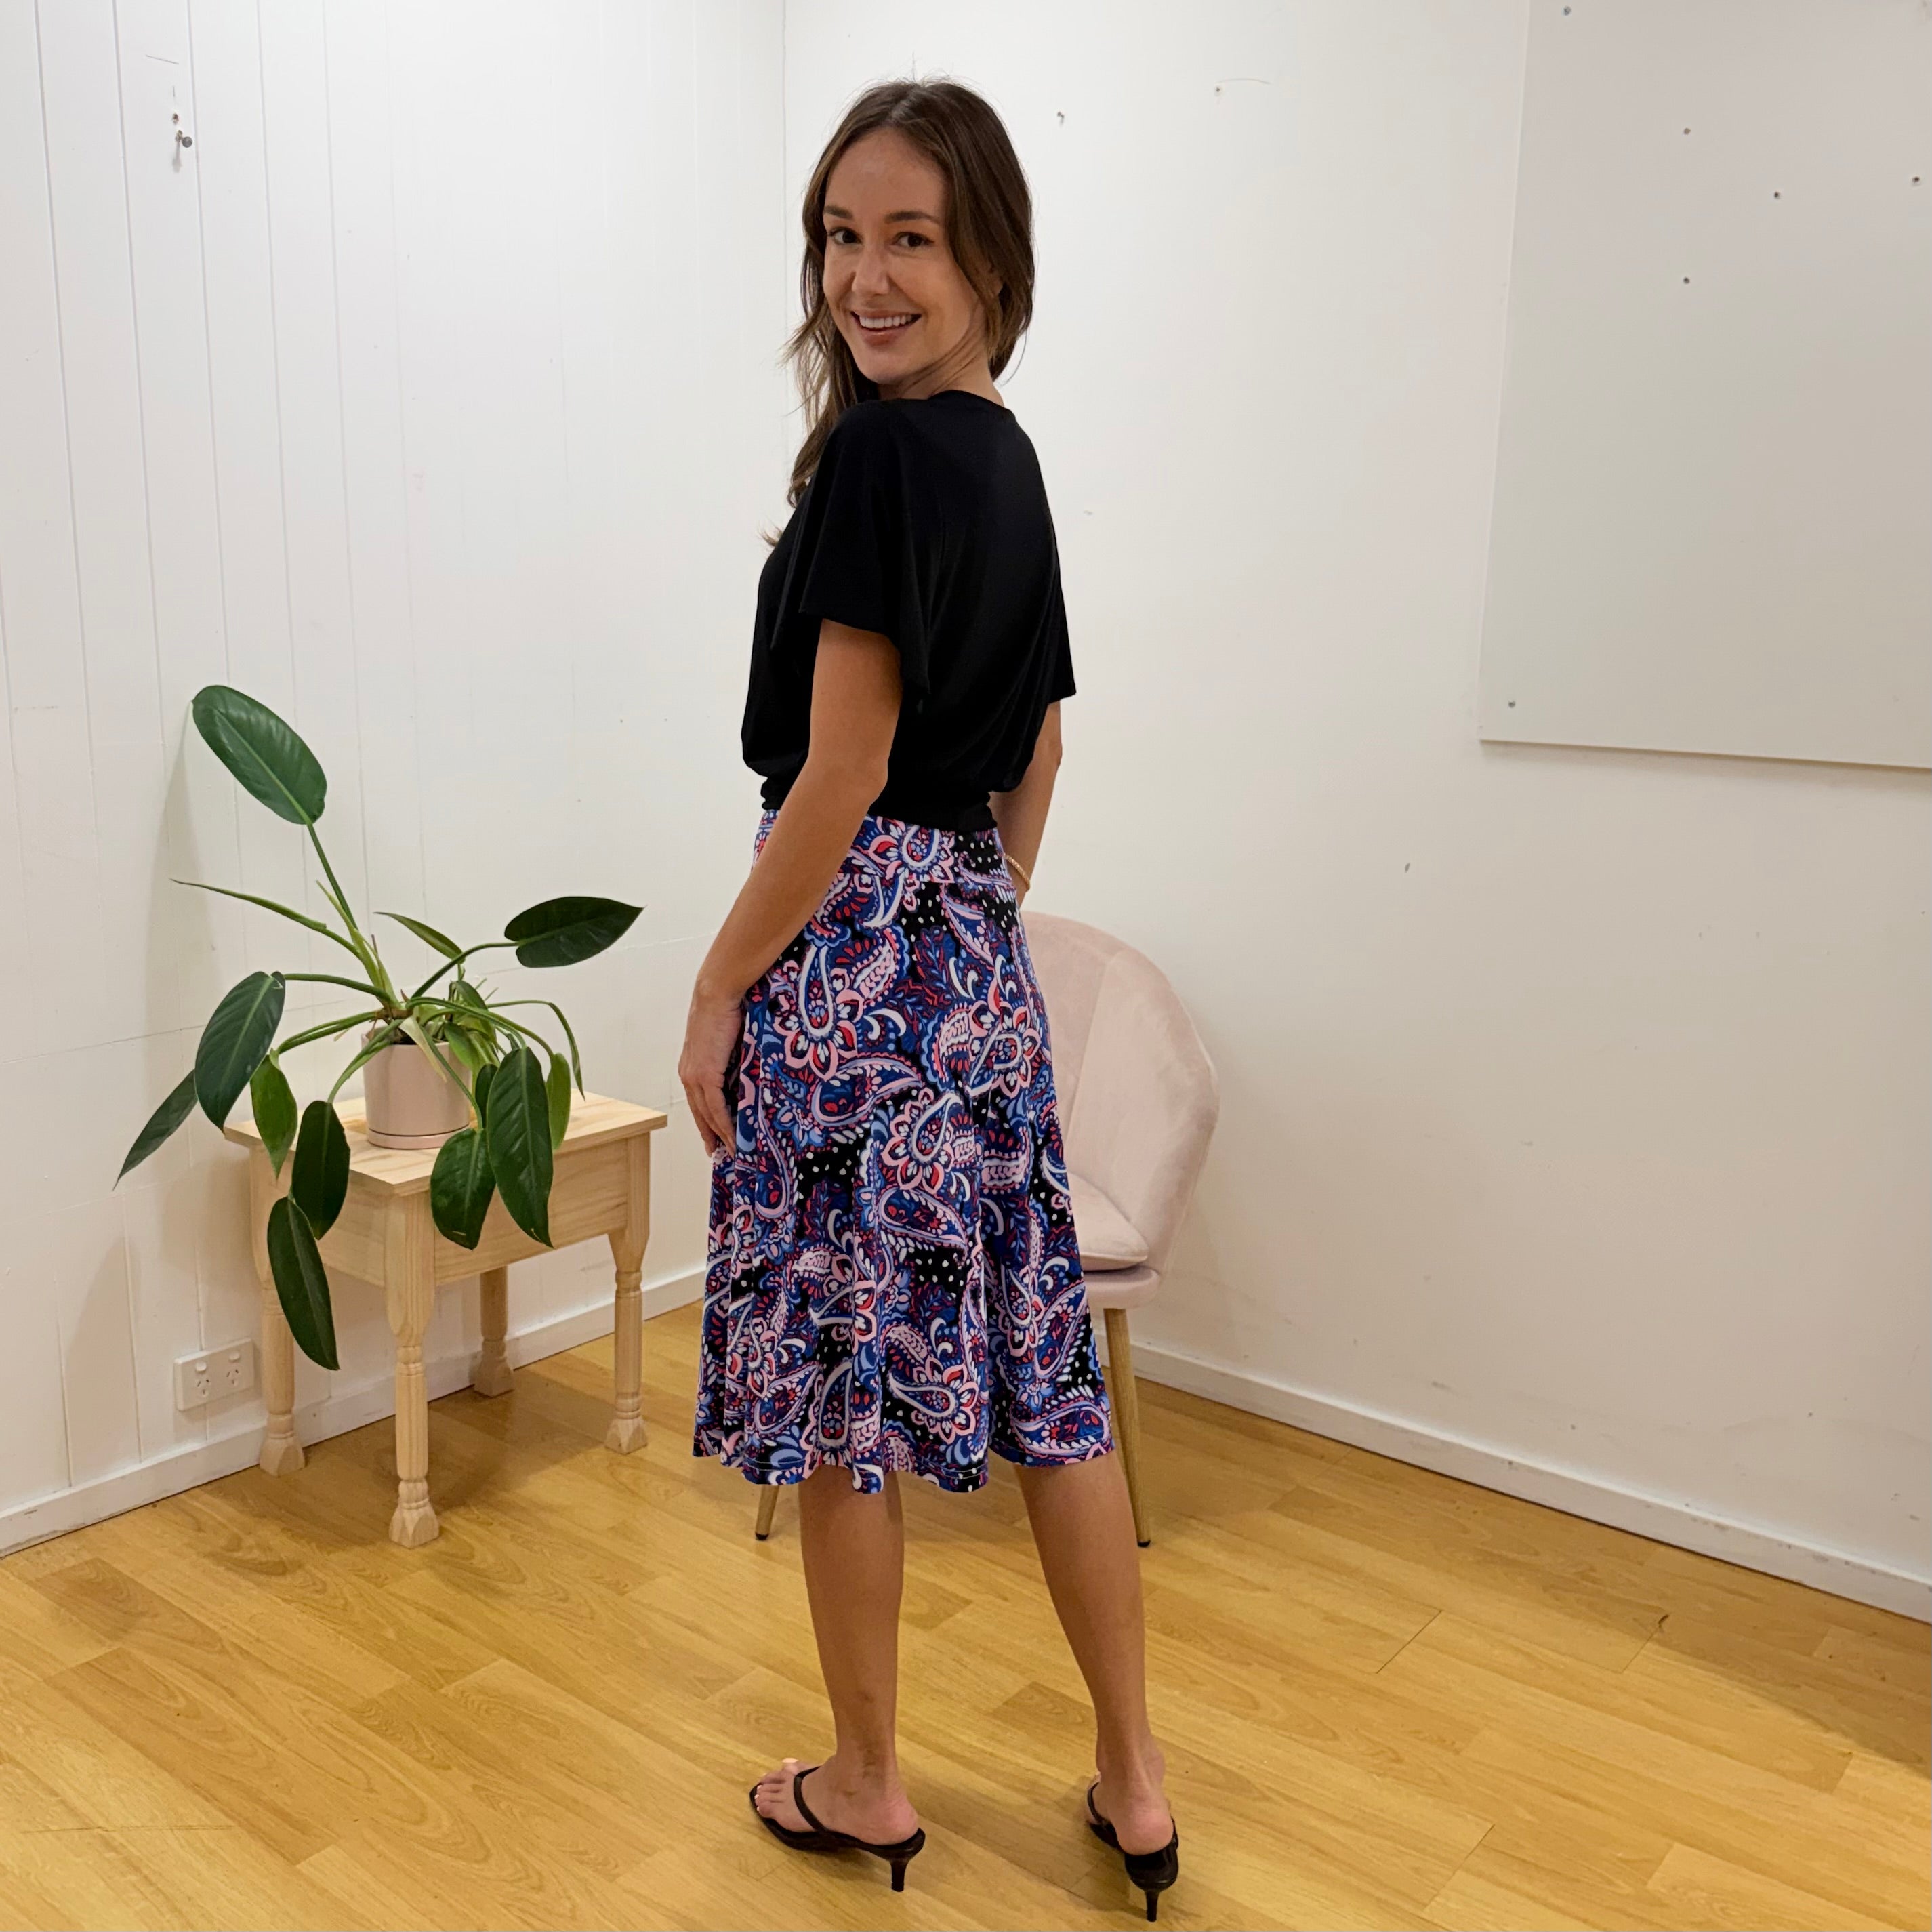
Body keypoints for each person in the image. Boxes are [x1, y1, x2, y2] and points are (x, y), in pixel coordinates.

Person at [677, 77, 1180, 1918]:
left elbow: (836, 774)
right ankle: (1132, 1776)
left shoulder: (879, 460)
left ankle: (868, 1780)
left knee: (840, 1390)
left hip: (846, 952)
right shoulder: (1001, 449)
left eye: (909, 238)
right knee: (1051, 1374)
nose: (865, 277)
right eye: (840, 233)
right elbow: (1036, 741)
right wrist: (975, 909)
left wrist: (725, 981)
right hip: (971, 953)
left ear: (987, 256)